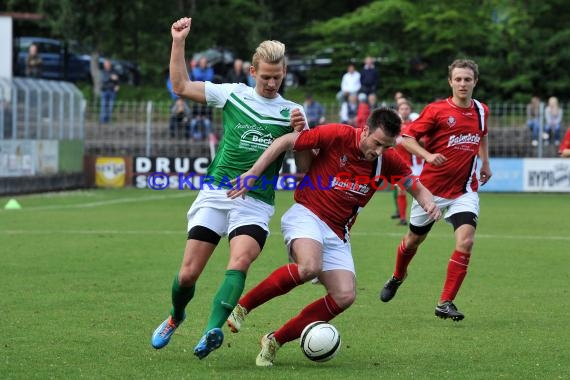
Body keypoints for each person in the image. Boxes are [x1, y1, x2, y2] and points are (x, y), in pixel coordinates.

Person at [225, 108, 441, 367]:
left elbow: (416, 187)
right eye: (377, 143)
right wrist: (253, 173)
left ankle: (274, 341)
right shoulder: (338, 134)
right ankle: (242, 307)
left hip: (338, 231)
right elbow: (285, 141)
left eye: (387, 146)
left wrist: (430, 204)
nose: (380, 151)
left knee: (345, 295)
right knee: (309, 266)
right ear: (365, 131)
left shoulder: (387, 160)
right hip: (307, 214)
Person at [150, 17, 310, 360]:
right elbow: (180, 86)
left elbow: (306, 168)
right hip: (216, 193)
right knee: (189, 273)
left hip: (255, 203)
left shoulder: (292, 112)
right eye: (265, 76)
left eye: (277, 77)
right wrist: (178, 42)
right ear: (253, 71)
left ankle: (212, 329)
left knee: (240, 260)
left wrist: (304, 134)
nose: (270, 83)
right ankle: (176, 316)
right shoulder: (232, 94)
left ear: (284, 73)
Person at [379, 59, 492, 322]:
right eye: (458, 79)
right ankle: (397, 276)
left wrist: (485, 162)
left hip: (465, 190)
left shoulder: (481, 110)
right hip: (431, 192)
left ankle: (445, 302)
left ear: (475, 81)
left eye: (467, 79)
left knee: (466, 241)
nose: (463, 84)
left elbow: (483, 134)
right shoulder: (437, 110)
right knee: (413, 241)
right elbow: (405, 139)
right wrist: (428, 156)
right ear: (450, 81)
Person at [393, 99, 425, 226]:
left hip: (417, 164)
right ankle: (402, 218)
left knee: (417, 192)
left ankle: (420, 217)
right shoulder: (395, 127)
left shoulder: (416, 125)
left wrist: (414, 141)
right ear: (398, 111)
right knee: (401, 191)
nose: (404, 111)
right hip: (402, 164)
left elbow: (424, 142)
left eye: (406, 109)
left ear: (410, 110)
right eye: (402, 109)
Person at [99, 59, 120, 124]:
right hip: (104, 91)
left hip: (112, 91)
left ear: (110, 65)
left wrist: (117, 86)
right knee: (103, 106)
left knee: (111, 107)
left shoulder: (114, 71)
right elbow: (104, 79)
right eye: (106, 64)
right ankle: (102, 121)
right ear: (104, 65)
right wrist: (111, 77)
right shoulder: (102, 72)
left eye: (108, 64)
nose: (107, 65)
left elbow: (117, 80)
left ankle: (109, 121)